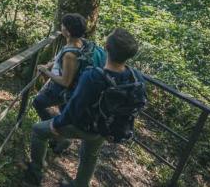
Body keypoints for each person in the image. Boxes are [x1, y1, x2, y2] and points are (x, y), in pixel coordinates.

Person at [25, 28, 144, 187]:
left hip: (83, 126)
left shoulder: (94, 76)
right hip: (105, 127)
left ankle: (36, 171)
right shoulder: (136, 77)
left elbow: (74, 108)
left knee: (38, 131)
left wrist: (56, 123)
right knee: (89, 156)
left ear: (107, 47)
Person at [32, 13, 87, 153]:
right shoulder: (79, 42)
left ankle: (60, 136)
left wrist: (46, 71)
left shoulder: (70, 54)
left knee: (38, 102)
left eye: (62, 25)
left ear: (67, 31)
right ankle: (61, 134)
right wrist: (50, 64)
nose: (60, 27)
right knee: (64, 111)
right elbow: (59, 58)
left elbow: (66, 81)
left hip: (62, 90)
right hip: (73, 88)